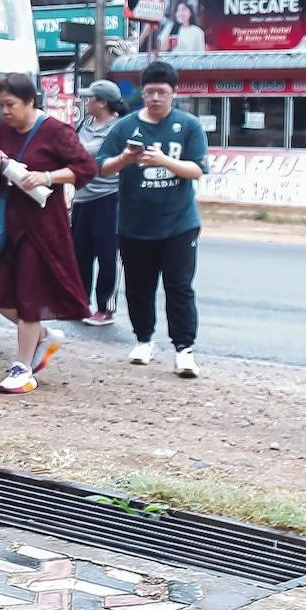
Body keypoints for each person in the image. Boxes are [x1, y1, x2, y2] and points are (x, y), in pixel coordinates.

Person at [0, 72, 99, 394]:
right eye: (1, 105)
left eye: (10, 105)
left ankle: (23, 367)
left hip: (42, 228)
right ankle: (42, 338)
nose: (5, 112)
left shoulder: (57, 131)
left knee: (28, 296)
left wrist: (47, 177)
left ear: (30, 101)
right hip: (7, 226)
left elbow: (86, 169)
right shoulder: (4, 130)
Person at [97, 60, 208, 379]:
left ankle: (184, 349)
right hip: (134, 224)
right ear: (142, 94)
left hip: (179, 223)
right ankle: (144, 340)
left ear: (174, 93)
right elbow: (102, 167)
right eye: (149, 92)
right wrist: (125, 159)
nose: (155, 98)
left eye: (162, 92)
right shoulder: (124, 126)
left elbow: (197, 169)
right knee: (138, 286)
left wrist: (165, 161)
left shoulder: (188, 125)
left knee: (179, 286)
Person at [71, 80, 124, 326]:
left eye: (90, 98)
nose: (86, 101)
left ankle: (105, 307)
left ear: (102, 103)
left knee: (106, 255)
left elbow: (105, 157)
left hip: (108, 197)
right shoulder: (84, 124)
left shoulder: (119, 128)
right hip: (82, 197)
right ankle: (80, 302)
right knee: (80, 253)